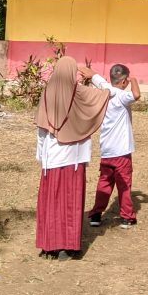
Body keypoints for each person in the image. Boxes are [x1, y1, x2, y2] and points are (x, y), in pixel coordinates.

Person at [36, 57, 111, 259]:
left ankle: (48, 245)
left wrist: (41, 157)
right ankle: (67, 247)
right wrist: (95, 77)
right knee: (70, 201)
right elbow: (109, 93)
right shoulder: (81, 93)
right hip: (74, 160)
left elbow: (42, 131)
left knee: (52, 200)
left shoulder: (47, 93)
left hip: (51, 158)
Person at [88, 64, 141, 228]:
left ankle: (96, 214)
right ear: (124, 80)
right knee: (124, 184)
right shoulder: (122, 96)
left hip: (106, 149)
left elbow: (91, 74)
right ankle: (126, 216)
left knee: (104, 182)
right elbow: (136, 95)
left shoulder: (106, 90)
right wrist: (134, 79)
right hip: (122, 151)